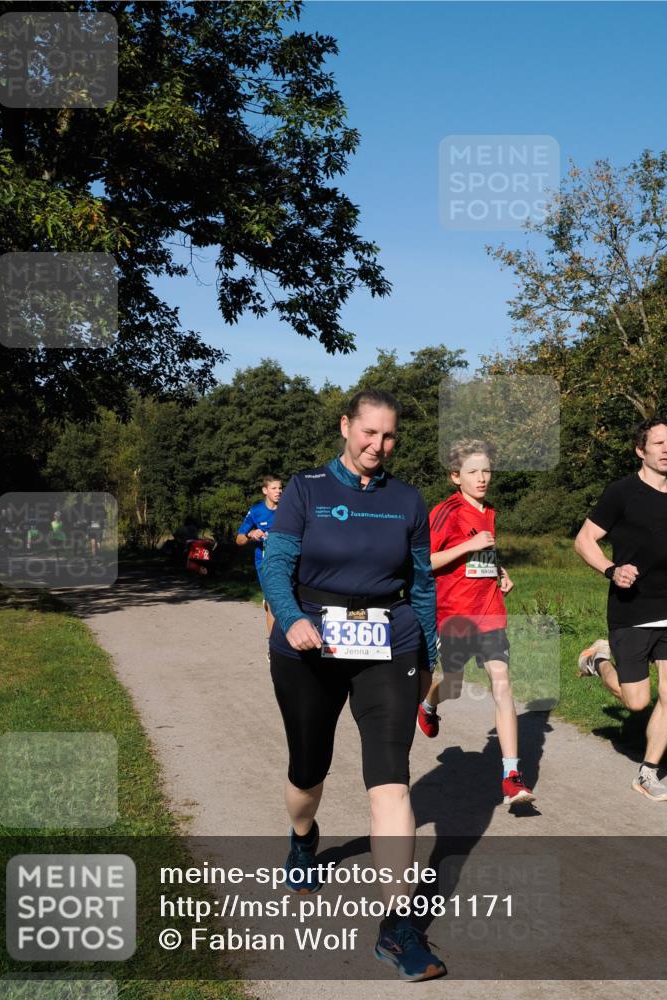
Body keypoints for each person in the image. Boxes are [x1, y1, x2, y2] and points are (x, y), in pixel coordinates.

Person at [261, 389, 446, 982]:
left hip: (387, 642)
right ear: (346, 427)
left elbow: (422, 584)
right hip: (310, 643)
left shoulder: (408, 500)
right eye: (368, 433)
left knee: (390, 781)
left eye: (389, 437)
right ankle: (302, 837)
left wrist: (429, 661)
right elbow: (275, 564)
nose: (377, 446)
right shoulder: (306, 488)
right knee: (307, 769)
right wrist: (291, 620)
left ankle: (396, 928)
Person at [574, 417, 667, 802]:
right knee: (637, 702)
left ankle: (648, 773)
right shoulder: (621, 493)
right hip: (630, 609)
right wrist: (611, 569)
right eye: (659, 443)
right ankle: (599, 657)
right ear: (641, 450)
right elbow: (584, 539)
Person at [416, 439, 535, 806]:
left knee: (502, 684)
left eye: (486, 471)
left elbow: (483, 554)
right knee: (451, 686)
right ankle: (428, 705)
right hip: (454, 615)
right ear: (456, 477)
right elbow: (424, 561)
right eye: (473, 472)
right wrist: (467, 548)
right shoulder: (445, 511)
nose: (482, 478)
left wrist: (499, 572)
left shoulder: (490, 510)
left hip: (490, 612)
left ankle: (511, 776)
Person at [236, 475, 283, 636]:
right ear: (265, 491)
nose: (279, 491)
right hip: (265, 562)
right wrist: (251, 534)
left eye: (280, 488)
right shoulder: (256, 511)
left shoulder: (288, 509)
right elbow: (239, 539)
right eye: (274, 488)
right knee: (272, 602)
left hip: (287, 561)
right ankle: (273, 646)